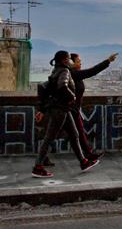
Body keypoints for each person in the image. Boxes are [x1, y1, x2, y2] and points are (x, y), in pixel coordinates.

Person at [32, 50, 99, 178]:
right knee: (49, 138)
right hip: (60, 109)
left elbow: (45, 88)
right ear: (64, 60)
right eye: (69, 59)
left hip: (63, 109)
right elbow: (62, 86)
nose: (71, 61)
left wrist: (41, 109)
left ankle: (83, 162)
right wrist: (72, 96)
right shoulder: (65, 71)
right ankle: (38, 166)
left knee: (74, 134)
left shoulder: (56, 70)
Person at [69, 51, 119, 160]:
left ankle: (88, 154)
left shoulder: (74, 74)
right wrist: (108, 61)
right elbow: (92, 71)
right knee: (75, 133)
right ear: (72, 63)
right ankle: (88, 155)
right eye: (78, 61)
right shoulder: (74, 74)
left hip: (72, 110)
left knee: (73, 133)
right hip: (70, 110)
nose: (81, 63)